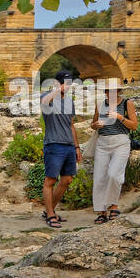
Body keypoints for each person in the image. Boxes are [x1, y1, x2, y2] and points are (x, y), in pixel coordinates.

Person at [38, 69, 83, 229]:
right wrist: (57, 90)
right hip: (53, 145)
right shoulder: (47, 97)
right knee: (50, 180)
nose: (67, 86)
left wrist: (76, 147)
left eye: (69, 83)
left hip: (69, 146)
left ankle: (49, 211)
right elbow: (44, 102)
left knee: (67, 180)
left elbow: (71, 125)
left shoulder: (69, 101)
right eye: (64, 83)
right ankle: (51, 215)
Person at [90, 84, 137, 224]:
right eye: (107, 91)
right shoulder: (100, 104)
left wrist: (119, 117)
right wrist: (96, 125)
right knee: (99, 178)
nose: (109, 93)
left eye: (112, 90)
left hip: (120, 142)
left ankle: (114, 206)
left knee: (113, 174)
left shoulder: (127, 103)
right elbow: (92, 124)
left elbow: (134, 125)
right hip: (102, 143)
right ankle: (101, 212)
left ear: (118, 91)